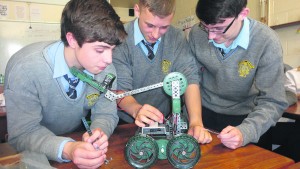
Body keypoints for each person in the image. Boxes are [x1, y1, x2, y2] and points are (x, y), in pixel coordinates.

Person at [4, 0, 126, 168]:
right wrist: (68, 148)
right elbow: (23, 133)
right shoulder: (26, 69)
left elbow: (106, 114)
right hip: (33, 155)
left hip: (77, 146)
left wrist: (99, 133)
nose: (109, 60)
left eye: (112, 49)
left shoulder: (106, 69)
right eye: (100, 50)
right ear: (73, 39)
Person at [188, 0, 288, 149]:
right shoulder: (197, 33)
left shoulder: (266, 41)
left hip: (248, 118)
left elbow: (273, 101)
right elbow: (191, 79)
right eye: (205, 27)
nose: (210, 36)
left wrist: (246, 132)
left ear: (242, 14)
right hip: (204, 117)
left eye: (219, 28)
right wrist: (195, 121)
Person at [112, 0, 212, 144]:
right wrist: (137, 110)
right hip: (126, 122)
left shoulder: (176, 37)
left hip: (163, 121)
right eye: (150, 25)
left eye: (164, 27)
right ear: (137, 11)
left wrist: (196, 122)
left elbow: (190, 79)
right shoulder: (120, 39)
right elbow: (120, 90)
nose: (155, 34)